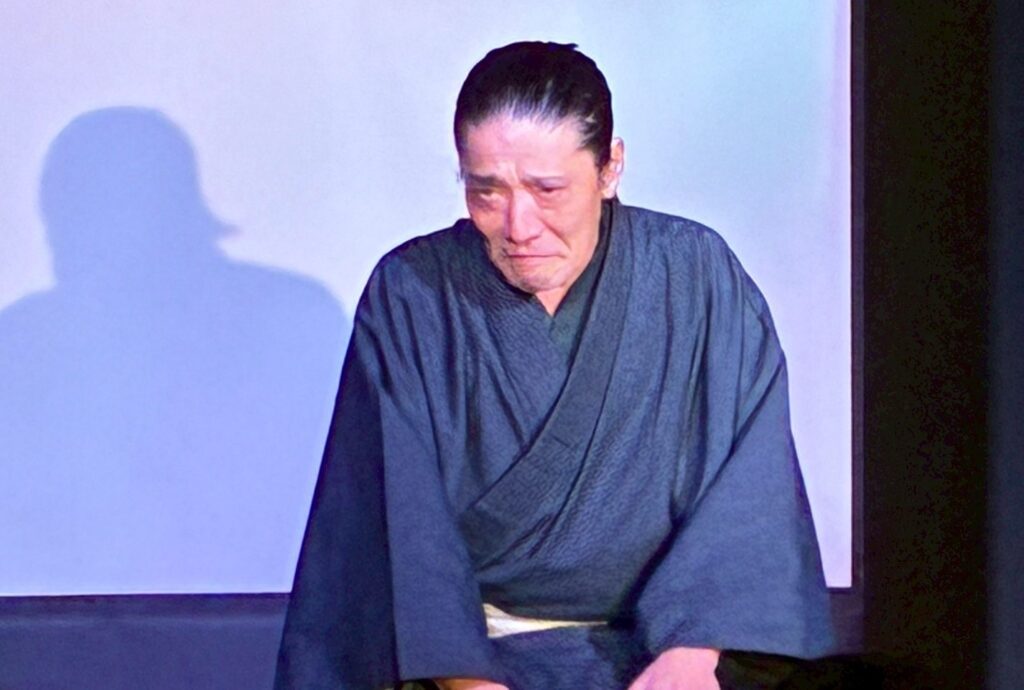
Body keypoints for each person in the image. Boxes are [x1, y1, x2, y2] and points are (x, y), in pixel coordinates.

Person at [275, 42, 834, 690]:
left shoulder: (696, 276)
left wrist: (693, 652)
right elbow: (395, 520)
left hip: (672, 649)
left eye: (547, 190)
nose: (518, 226)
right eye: (486, 191)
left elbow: (750, 493)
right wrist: (464, 678)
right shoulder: (413, 293)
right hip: (468, 656)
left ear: (610, 167)